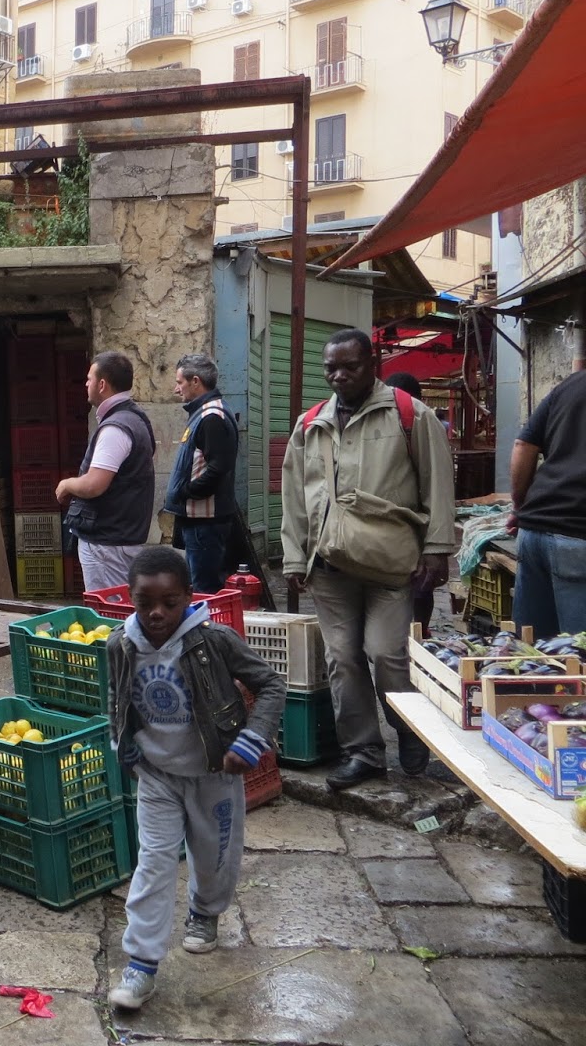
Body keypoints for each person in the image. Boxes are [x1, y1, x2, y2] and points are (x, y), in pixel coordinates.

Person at [106, 547, 285, 1011]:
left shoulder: (215, 640)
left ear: (188, 596)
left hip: (213, 774)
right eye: (145, 603)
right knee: (153, 864)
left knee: (215, 861)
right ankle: (141, 965)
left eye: (169, 602)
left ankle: (205, 912)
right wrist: (120, 738)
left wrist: (252, 739)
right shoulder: (119, 644)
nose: (157, 613)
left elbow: (270, 685)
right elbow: (116, 694)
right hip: (158, 776)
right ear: (131, 598)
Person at [281, 328, 455, 790]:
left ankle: (409, 729)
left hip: (388, 562)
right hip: (329, 564)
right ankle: (364, 752)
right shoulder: (310, 424)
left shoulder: (408, 414)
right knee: (342, 658)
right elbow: (295, 497)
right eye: (330, 368)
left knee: (385, 652)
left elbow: (438, 482)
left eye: (349, 366)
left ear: (372, 362)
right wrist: (295, 557)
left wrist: (437, 549)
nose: (338, 376)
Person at [56, 351, 156, 591]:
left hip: (107, 544)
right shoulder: (135, 419)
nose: (86, 383)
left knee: (108, 616)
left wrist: (67, 484)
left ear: (102, 385)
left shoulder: (116, 428)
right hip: (119, 539)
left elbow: (94, 485)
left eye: (89, 378)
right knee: (122, 612)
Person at [508, 369, 586, 639]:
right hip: (576, 537)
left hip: (533, 532)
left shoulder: (571, 384)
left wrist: (519, 507)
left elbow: (522, 445)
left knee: (532, 651)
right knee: (579, 658)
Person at [163, 353, 238, 594]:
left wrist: (186, 492)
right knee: (198, 586)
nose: (177, 389)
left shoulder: (211, 416)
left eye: (180, 382)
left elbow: (218, 468)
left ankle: (210, 633)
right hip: (198, 522)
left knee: (205, 591)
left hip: (205, 523)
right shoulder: (204, 413)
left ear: (196, 381)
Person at [383, 373, 436, 632]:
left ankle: (417, 632)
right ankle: (418, 632)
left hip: (411, 522)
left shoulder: (422, 422)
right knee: (417, 586)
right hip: (402, 524)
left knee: (419, 585)